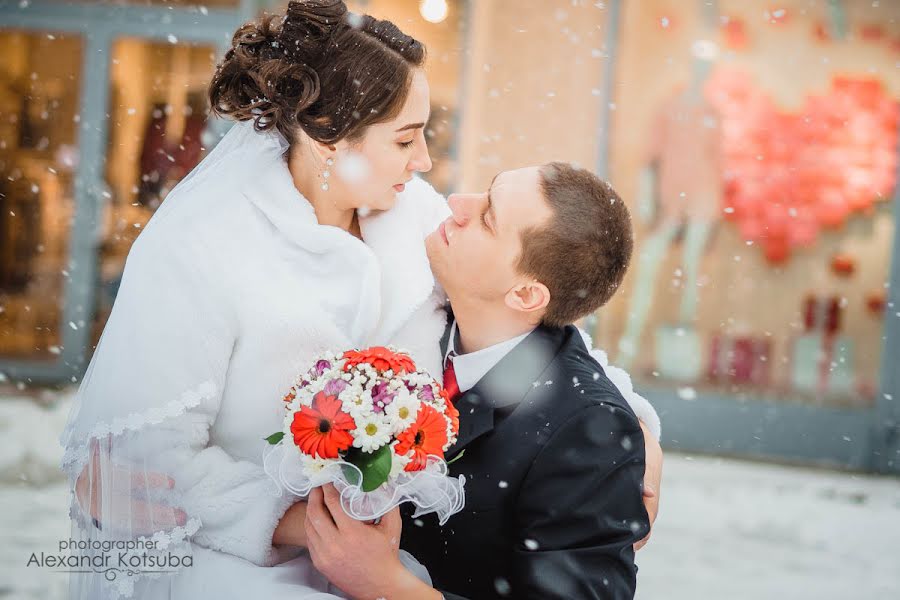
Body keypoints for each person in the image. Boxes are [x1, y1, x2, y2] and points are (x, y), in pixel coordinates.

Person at [60, 1, 661, 598]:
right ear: (330, 141)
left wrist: (637, 429)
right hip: (233, 566)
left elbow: (531, 326)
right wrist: (303, 526)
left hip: (393, 570)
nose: (425, 163)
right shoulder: (204, 251)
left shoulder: (414, 217)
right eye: (406, 138)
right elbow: (125, 473)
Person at [304, 163, 658, 599]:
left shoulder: (587, 429)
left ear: (526, 294)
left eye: (488, 218)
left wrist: (387, 585)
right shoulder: (413, 310)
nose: (456, 204)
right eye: (486, 191)